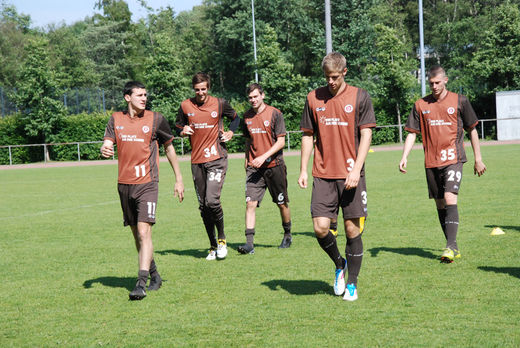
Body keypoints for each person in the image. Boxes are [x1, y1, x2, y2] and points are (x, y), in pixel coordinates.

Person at [298, 52, 376, 301]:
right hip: (323, 173)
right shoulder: (313, 98)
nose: (330, 82)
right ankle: (339, 263)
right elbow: (308, 134)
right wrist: (302, 168)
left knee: (352, 230)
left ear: (344, 72)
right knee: (320, 228)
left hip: (351, 174)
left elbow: (366, 134)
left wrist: (356, 169)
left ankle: (352, 283)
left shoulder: (360, 96)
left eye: (334, 76)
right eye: (326, 77)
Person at [100, 81, 184, 301]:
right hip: (124, 184)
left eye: (145, 95)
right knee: (138, 235)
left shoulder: (156, 119)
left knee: (145, 232)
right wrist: (105, 148)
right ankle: (155, 274)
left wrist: (179, 178)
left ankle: (140, 283)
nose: (144, 98)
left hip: (148, 183)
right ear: (127, 97)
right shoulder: (115, 119)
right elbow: (107, 142)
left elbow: (169, 148)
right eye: (139, 95)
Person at [399, 65, 486, 263]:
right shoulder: (420, 105)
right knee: (439, 203)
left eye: (438, 82)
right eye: (431, 83)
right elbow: (412, 132)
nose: (435, 86)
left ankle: (450, 246)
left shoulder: (459, 101)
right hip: (431, 161)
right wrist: (405, 156)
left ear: (445, 80)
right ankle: (452, 245)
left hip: (453, 158)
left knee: (449, 197)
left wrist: (478, 158)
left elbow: (472, 129)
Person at [176, 72, 239, 260]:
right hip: (196, 162)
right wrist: (182, 131)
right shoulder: (186, 105)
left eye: (203, 89)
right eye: (197, 90)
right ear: (193, 89)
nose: (200, 93)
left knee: (212, 200)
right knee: (203, 206)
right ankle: (212, 246)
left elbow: (235, 118)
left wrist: (230, 132)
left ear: (208, 88)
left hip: (216, 159)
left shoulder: (219, 103)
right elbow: (178, 125)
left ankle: (221, 240)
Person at [237, 83, 292, 255]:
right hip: (255, 169)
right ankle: (249, 244)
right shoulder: (246, 117)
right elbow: (248, 140)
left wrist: (263, 156)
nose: (253, 100)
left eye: (255, 96)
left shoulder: (275, 114)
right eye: (250, 98)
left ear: (263, 95)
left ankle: (288, 234)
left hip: (274, 166)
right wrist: (247, 158)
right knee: (250, 203)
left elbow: (281, 141)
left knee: (281, 203)